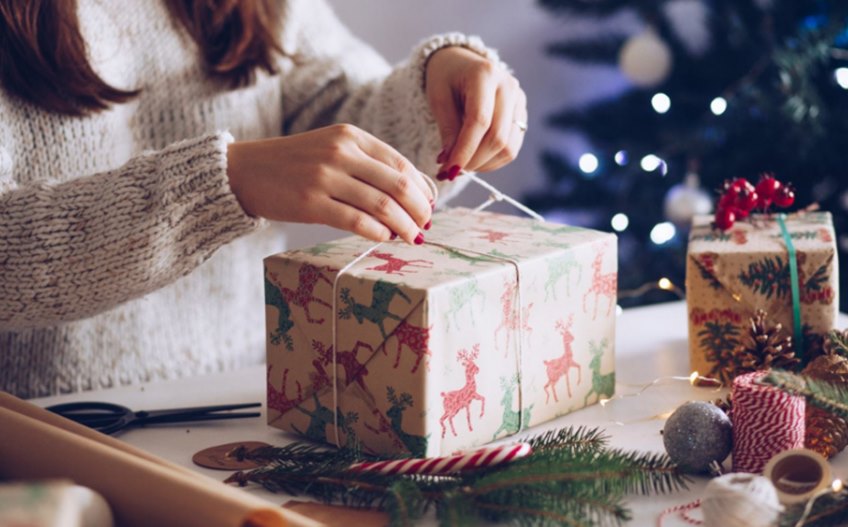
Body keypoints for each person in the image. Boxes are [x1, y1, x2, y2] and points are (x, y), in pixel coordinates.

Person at [0, 0, 527, 398]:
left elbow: (339, 107)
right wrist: (223, 186)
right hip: (45, 441)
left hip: (241, 405)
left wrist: (434, 96)